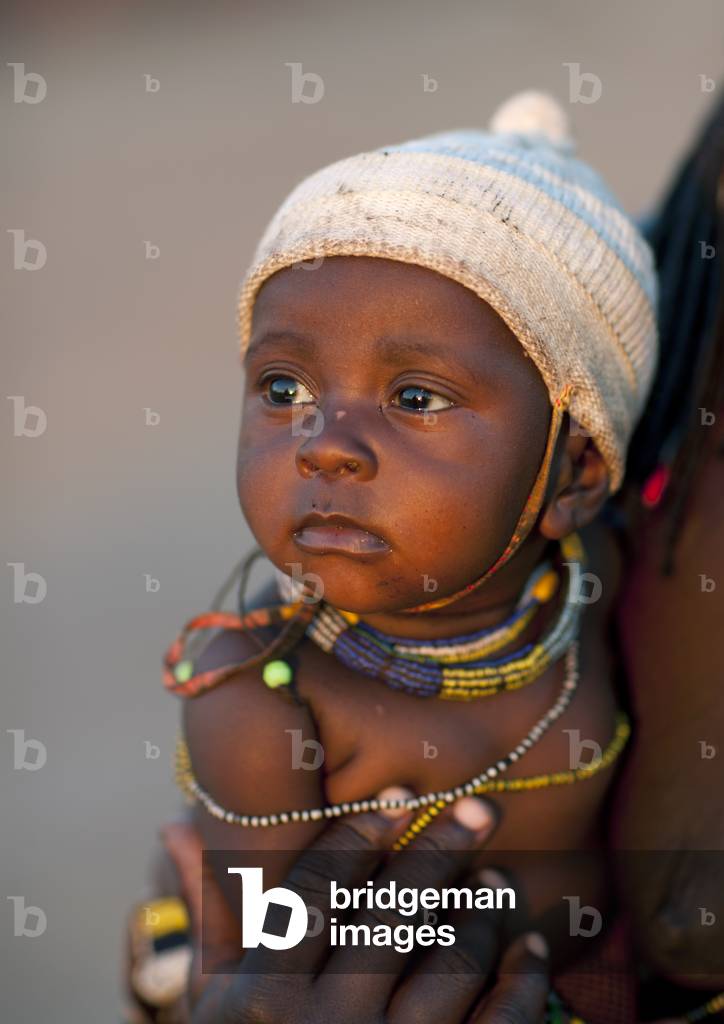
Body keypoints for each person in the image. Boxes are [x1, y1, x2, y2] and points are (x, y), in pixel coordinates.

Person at [142, 90, 662, 1023]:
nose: (323, 443)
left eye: (417, 397)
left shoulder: (596, 589)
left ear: (576, 472)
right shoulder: (264, 700)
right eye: (283, 385)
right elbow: (277, 957)